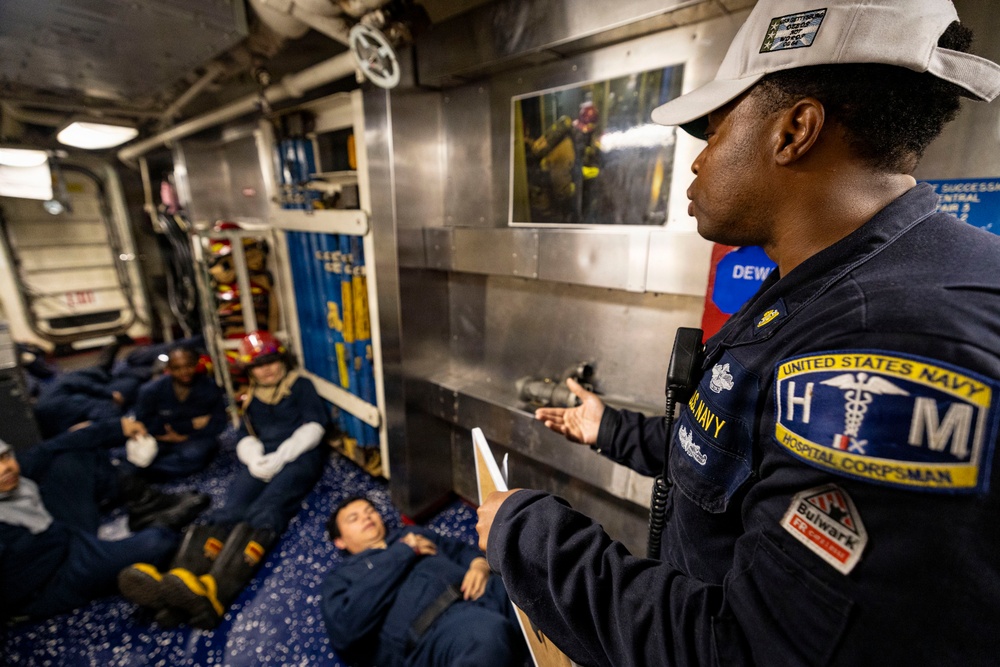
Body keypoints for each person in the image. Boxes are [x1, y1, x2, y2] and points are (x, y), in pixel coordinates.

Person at [476, 1, 1000, 665]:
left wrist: (528, 533)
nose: (697, 162)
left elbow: (748, 648)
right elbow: (735, 445)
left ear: (795, 130)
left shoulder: (892, 348)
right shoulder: (821, 283)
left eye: (717, 128)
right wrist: (609, 428)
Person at [118, 330, 330, 629]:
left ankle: (216, 592)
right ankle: (176, 584)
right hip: (261, 458)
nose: (266, 369)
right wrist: (253, 455)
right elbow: (246, 434)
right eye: (258, 365)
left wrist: (283, 455)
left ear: (282, 361)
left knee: (267, 509)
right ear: (249, 370)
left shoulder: (300, 386)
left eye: (271, 361)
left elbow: (315, 426)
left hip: (299, 456)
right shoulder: (251, 396)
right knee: (230, 508)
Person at [0, 421, 208, 622]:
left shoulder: (16, 483)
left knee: (73, 455)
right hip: (51, 578)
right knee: (157, 543)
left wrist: (117, 427)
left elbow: (48, 449)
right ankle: (156, 541)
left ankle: (145, 505)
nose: (4, 469)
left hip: (59, 534)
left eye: (5, 457)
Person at [320, 496, 527, 667]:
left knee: (532, 586)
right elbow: (345, 628)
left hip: (486, 592)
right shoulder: (341, 577)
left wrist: (479, 565)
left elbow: (460, 550)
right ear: (340, 541)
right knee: (487, 635)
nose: (366, 517)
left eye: (370, 510)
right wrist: (405, 552)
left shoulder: (412, 534)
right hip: (434, 632)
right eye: (354, 518)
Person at [124, 345, 227, 480]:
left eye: (188, 366)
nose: (184, 372)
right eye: (177, 368)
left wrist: (185, 436)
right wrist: (188, 425)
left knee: (195, 454)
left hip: (194, 439)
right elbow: (143, 421)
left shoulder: (210, 387)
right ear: (168, 369)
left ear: (196, 364)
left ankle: (146, 472)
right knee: (136, 452)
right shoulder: (150, 390)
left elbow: (219, 422)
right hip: (159, 437)